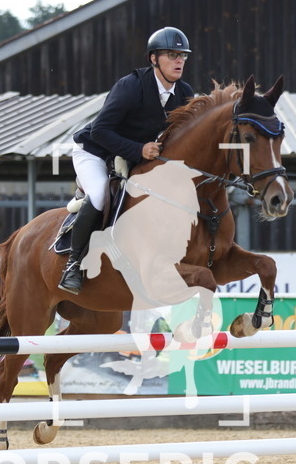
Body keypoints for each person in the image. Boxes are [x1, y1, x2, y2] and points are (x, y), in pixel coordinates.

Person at [59, 26, 195, 294]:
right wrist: (139, 150)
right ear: (154, 58)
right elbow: (99, 131)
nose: (179, 60)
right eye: (171, 55)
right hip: (95, 152)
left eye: (182, 55)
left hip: (131, 156)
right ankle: (73, 264)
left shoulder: (184, 92)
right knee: (100, 195)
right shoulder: (131, 86)